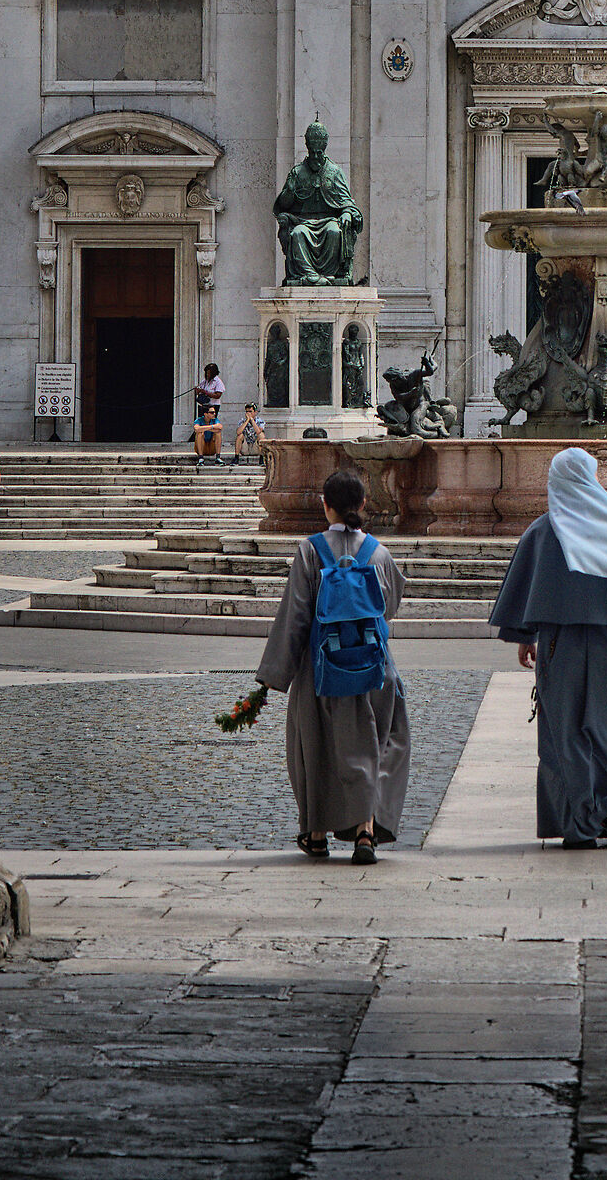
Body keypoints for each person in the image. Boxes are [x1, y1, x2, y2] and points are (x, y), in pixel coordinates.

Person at [488, 446, 607, 850]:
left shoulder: (543, 531)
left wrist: (524, 638)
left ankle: (578, 821)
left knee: (564, 735)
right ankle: (604, 810)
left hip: (559, 646)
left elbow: (523, 592)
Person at [253, 467, 410, 863]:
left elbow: (295, 617)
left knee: (316, 749)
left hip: (321, 671)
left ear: (326, 506)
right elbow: (388, 607)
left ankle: (317, 833)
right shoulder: (379, 552)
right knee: (376, 745)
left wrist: (276, 676)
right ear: (362, 505)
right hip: (373, 670)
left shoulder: (309, 551)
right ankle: (365, 832)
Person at [274, 122, 363, 286]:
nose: (315, 156)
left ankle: (329, 275)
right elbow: (283, 206)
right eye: (312, 152)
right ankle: (309, 275)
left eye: (319, 152)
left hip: (329, 220)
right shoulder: (297, 172)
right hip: (303, 222)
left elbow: (348, 202)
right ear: (307, 147)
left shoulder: (334, 172)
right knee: (297, 234)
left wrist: (346, 213)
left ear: (324, 149)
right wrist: (290, 191)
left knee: (334, 232)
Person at [191, 363, 224, 464]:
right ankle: (201, 453)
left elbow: (218, 395)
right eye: (206, 372)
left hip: (213, 406)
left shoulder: (218, 382)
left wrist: (205, 392)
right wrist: (198, 390)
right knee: (201, 426)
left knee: (215, 428)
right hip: (204, 407)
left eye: (209, 372)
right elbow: (200, 390)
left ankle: (216, 455)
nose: (207, 374)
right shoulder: (205, 381)